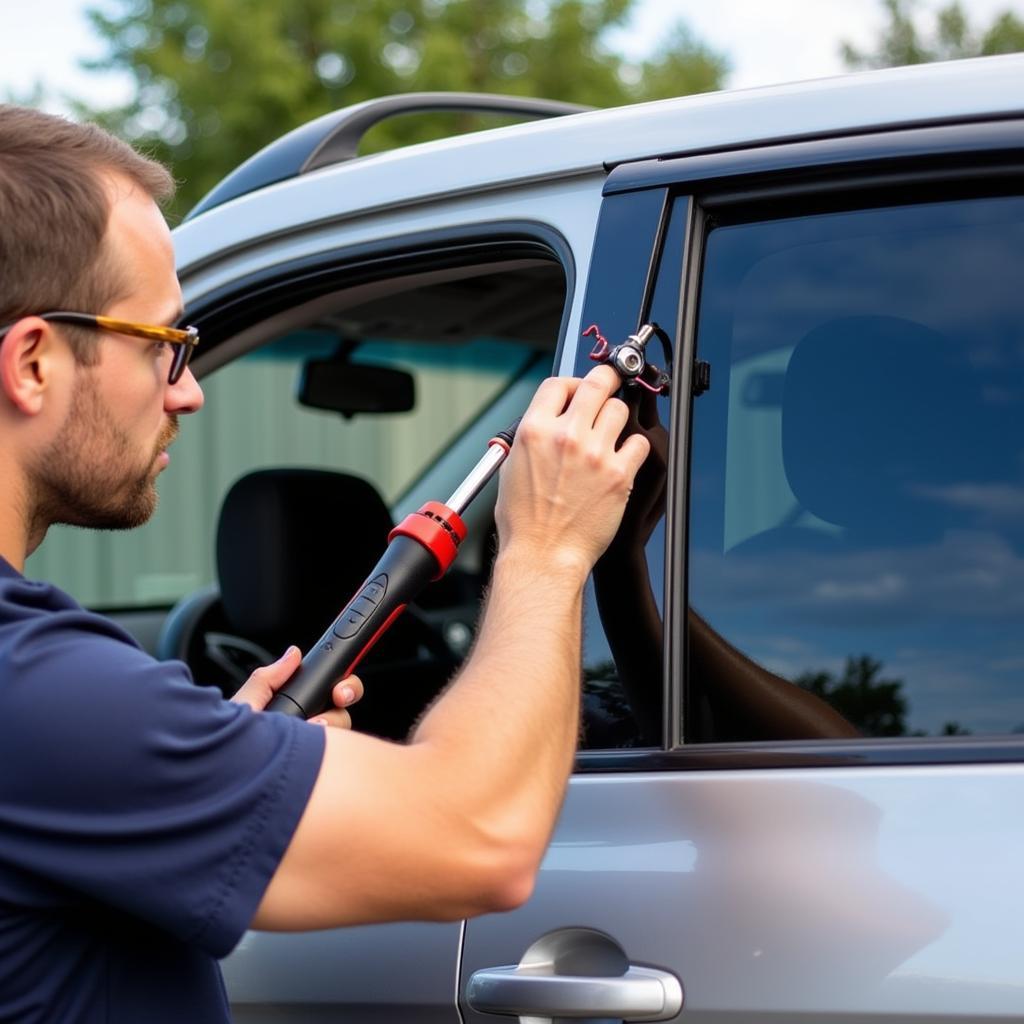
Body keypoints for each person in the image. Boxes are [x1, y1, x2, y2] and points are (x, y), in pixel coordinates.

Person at [0, 105, 650, 1024]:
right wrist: (546, 550)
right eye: (164, 345)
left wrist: (209, 762)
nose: (188, 390)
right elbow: (481, 839)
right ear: (32, 363)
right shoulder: (39, 692)